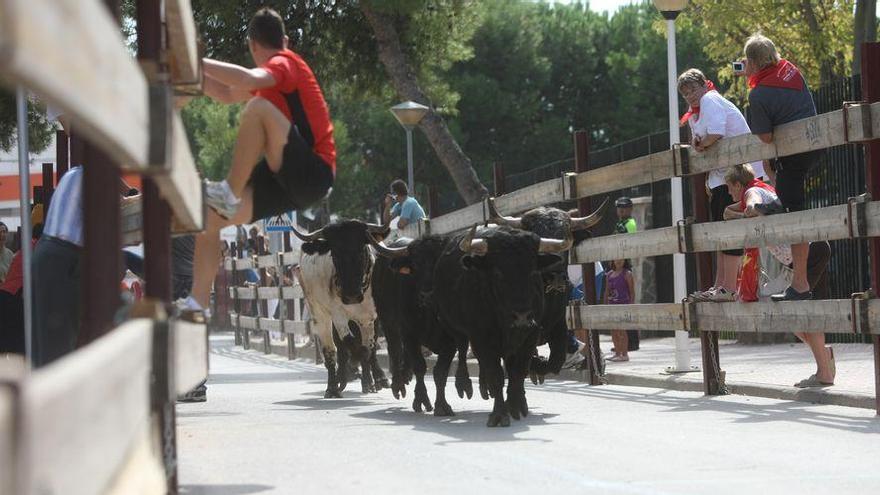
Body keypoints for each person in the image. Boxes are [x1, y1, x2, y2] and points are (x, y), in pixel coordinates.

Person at [186, 7, 336, 314]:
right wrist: (187, 72)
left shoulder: (285, 63)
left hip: (314, 172)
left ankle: (229, 190)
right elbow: (226, 93)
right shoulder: (275, 77)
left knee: (257, 108)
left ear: (253, 45)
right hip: (287, 179)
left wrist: (195, 60)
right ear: (285, 38)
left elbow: (247, 77)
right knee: (210, 219)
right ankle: (196, 305)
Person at [727, 162, 834, 387]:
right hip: (810, 251)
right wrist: (735, 210)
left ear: (738, 185)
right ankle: (825, 361)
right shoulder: (764, 188)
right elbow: (734, 209)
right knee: (796, 309)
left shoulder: (752, 192)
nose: (728, 192)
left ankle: (825, 369)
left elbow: (751, 204)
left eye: (730, 187)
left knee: (798, 309)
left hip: (807, 254)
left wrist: (748, 210)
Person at [741, 34, 822, 301]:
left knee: (793, 217)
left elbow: (764, 137)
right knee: (787, 203)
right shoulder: (791, 70)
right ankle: (797, 280)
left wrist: (751, 90)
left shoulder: (759, 93)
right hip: (814, 146)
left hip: (793, 158)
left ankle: (800, 285)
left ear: (752, 62)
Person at [678, 68, 765, 302]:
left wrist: (701, 144)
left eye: (693, 89)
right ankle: (719, 285)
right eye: (685, 93)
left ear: (704, 85)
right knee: (720, 233)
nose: (690, 96)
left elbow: (714, 134)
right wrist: (698, 143)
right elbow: (697, 140)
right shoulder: (694, 111)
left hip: (738, 174)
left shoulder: (710, 99)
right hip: (722, 176)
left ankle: (728, 287)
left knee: (729, 232)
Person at [0, 208, 42, 355]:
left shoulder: (26, 247)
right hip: (13, 297)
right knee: (17, 341)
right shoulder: (38, 248)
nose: (3, 234)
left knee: (8, 340)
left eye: (4, 231)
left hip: (8, 296)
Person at [611, 197, 640, 351]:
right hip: (618, 262)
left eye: (624, 208)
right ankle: (622, 343)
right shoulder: (619, 223)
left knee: (628, 302)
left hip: (625, 263)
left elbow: (627, 242)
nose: (621, 210)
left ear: (630, 209)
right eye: (619, 207)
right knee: (618, 302)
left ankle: (632, 343)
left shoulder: (629, 223)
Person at [603, 259, 634, 362]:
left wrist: (631, 306)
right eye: (616, 259)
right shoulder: (609, 275)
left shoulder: (627, 274)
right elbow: (607, 291)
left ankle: (624, 354)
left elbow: (632, 292)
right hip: (612, 305)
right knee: (613, 330)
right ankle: (617, 353)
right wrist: (605, 305)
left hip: (623, 305)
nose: (619, 261)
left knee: (622, 330)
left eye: (621, 258)